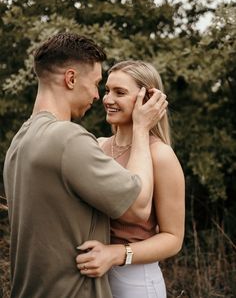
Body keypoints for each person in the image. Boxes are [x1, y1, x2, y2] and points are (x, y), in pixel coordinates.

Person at [3, 33, 168, 298]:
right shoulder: (68, 139)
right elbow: (138, 206)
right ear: (70, 79)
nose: (97, 96)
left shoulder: (20, 141)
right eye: (96, 85)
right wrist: (141, 128)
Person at [76, 60, 185, 298]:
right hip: (91, 277)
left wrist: (115, 254)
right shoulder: (98, 145)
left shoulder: (161, 155)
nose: (107, 99)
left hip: (135, 282)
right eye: (106, 90)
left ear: (147, 100)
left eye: (120, 92)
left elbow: (173, 239)